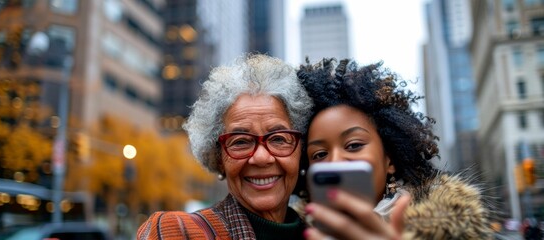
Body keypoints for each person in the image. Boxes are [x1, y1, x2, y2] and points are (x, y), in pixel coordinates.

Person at [297, 58, 493, 239]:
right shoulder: (294, 231)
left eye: (354, 145)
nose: (335, 162)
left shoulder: (452, 230)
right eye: (320, 154)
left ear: (389, 159)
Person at [137, 54, 313, 240]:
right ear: (219, 157)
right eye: (240, 142)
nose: (261, 157)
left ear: (300, 151)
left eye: (278, 139)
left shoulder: (327, 233)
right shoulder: (178, 232)